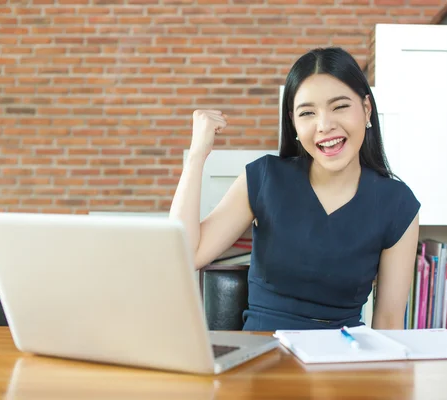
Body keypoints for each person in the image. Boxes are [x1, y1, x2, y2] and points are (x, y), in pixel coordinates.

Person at [169, 47, 420, 331]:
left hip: (340, 362)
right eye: (308, 113)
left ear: (366, 109)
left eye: (339, 106)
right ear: (294, 123)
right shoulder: (265, 178)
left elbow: (388, 321)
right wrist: (196, 155)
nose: (324, 125)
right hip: (261, 358)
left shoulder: (397, 204)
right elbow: (182, 257)